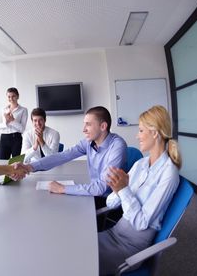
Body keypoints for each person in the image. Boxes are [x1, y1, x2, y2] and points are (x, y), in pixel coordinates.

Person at [98, 105, 182, 275]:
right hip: (113, 233)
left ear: (155, 133)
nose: (137, 136)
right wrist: (117, 188)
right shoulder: (140, 164)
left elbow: (141, 222)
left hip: (129, 249)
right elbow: (111, 202)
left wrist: (124, 190)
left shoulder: (169, 174)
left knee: (77, 264)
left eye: (141, 130)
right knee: (73, 247)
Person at [16, 106, 126, 208]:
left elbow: (101, 188)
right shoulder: (88, 142)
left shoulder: (117, 146)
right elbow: (62, 156)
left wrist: (63, 189)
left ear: (103, 126)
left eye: (88, 124)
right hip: (91, 194)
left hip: (107, 201)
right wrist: (29, 167)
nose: (84, 129)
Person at [0, 87, 28, 159]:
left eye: (13, 96)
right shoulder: (3, 110)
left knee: (16, 163)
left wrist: (12, 120)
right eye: (9, 96)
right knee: (2, 162)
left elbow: (22, 129)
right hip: (4, 138)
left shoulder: (23, 110)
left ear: (17, 96)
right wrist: (6, 122)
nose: (11, 98)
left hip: (16, 138)